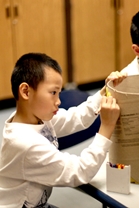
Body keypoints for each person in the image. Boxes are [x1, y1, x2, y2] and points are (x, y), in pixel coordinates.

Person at [0, 53, 127, 208]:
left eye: (59, 93)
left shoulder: (33, 117)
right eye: (53, 93)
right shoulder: (26, 144)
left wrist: (104, 93)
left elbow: (75, 117)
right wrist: (106, 127)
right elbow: (80, 172)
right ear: (26, 92)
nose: (58, 101)